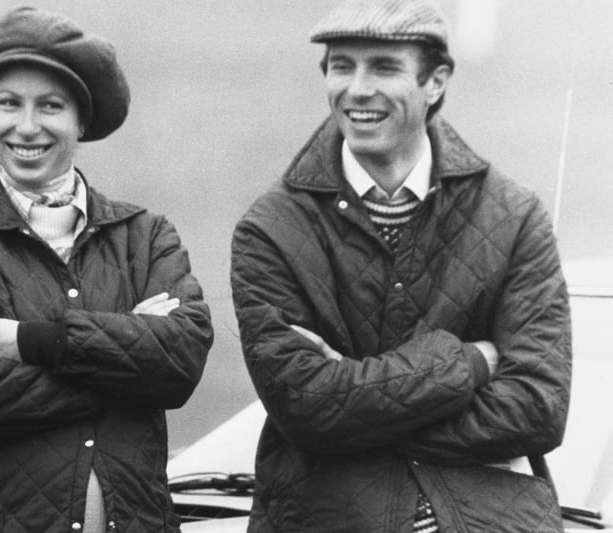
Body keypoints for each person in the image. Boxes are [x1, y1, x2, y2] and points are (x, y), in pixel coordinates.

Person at [230, 1, 572, 531]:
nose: (357, 89)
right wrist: (470, 365)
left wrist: (352, 408)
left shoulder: (514, 217)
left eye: (384, 67)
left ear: (435, 81)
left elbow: (536, 407)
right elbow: (305, 408)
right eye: (342, 65)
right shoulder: (271, 228)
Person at [0, 6, 213, 533]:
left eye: (50, 105)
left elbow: (179, 365)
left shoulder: (145, 234)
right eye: (8, 103)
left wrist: (34, 343)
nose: (27, 126)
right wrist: (126, 366)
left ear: (81, 121)